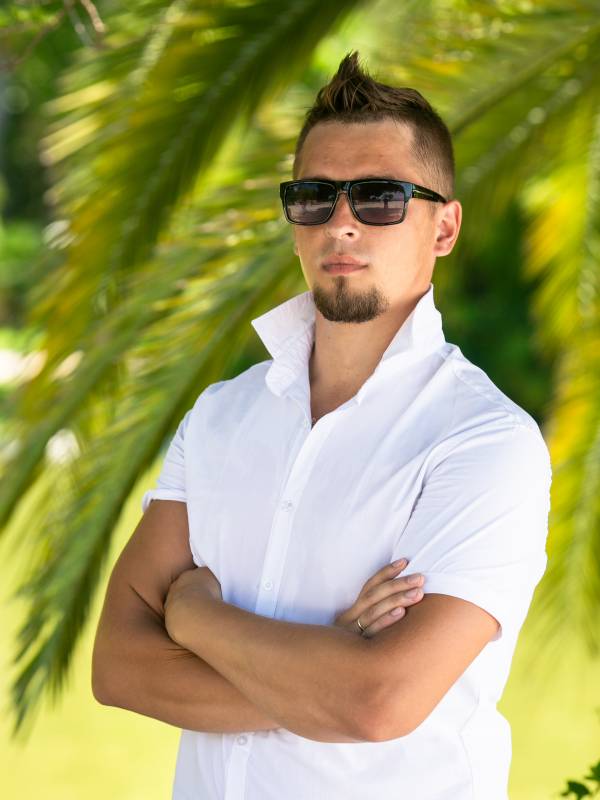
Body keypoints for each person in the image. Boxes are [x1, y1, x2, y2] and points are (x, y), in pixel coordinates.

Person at [92, 51, 552, 800]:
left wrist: (194, 616)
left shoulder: (484, 441)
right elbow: (117, 667)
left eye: (379, 197)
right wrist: (328, 671)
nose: (341, 223)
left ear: (444, 227)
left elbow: (377, 703)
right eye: (314, 197)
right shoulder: (220, 416)